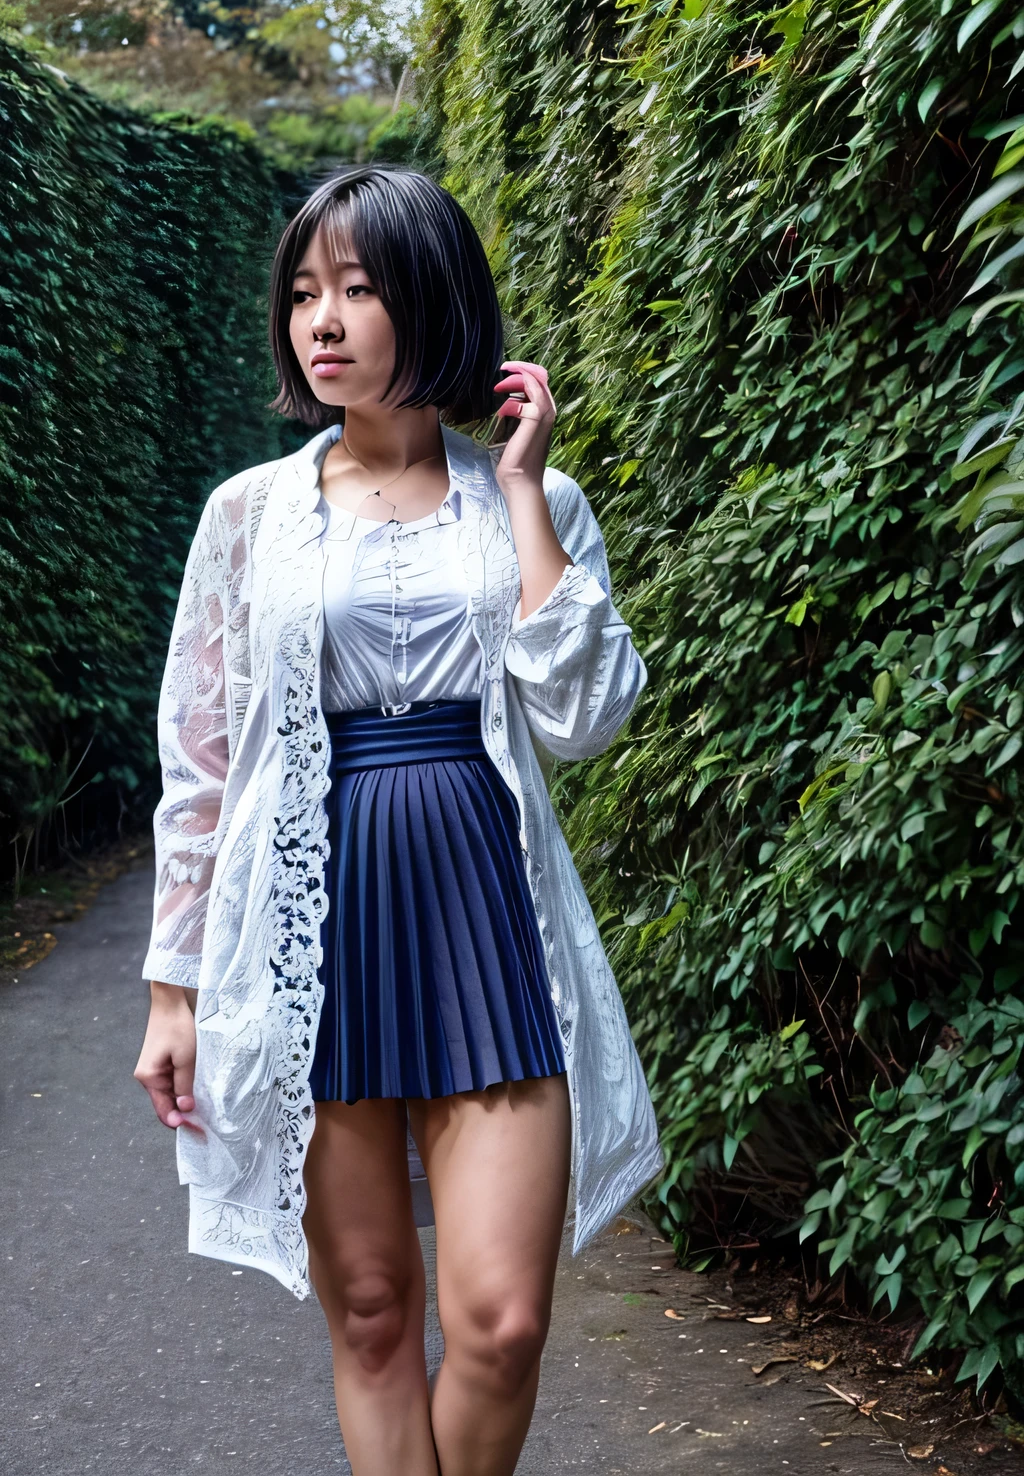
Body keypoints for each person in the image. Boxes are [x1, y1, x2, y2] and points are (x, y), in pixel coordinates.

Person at [133, 166, 662, 1475]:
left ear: (429, 300)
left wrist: (530, 491)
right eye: (305, 293)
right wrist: (173, 988)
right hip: (311, 923)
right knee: (371, 1313)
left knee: (503, 1319)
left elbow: (587, 715)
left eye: (358, 290)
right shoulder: (248, 514)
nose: (323, 320)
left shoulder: (524, 500)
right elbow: (200, 758)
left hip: (484, 909)